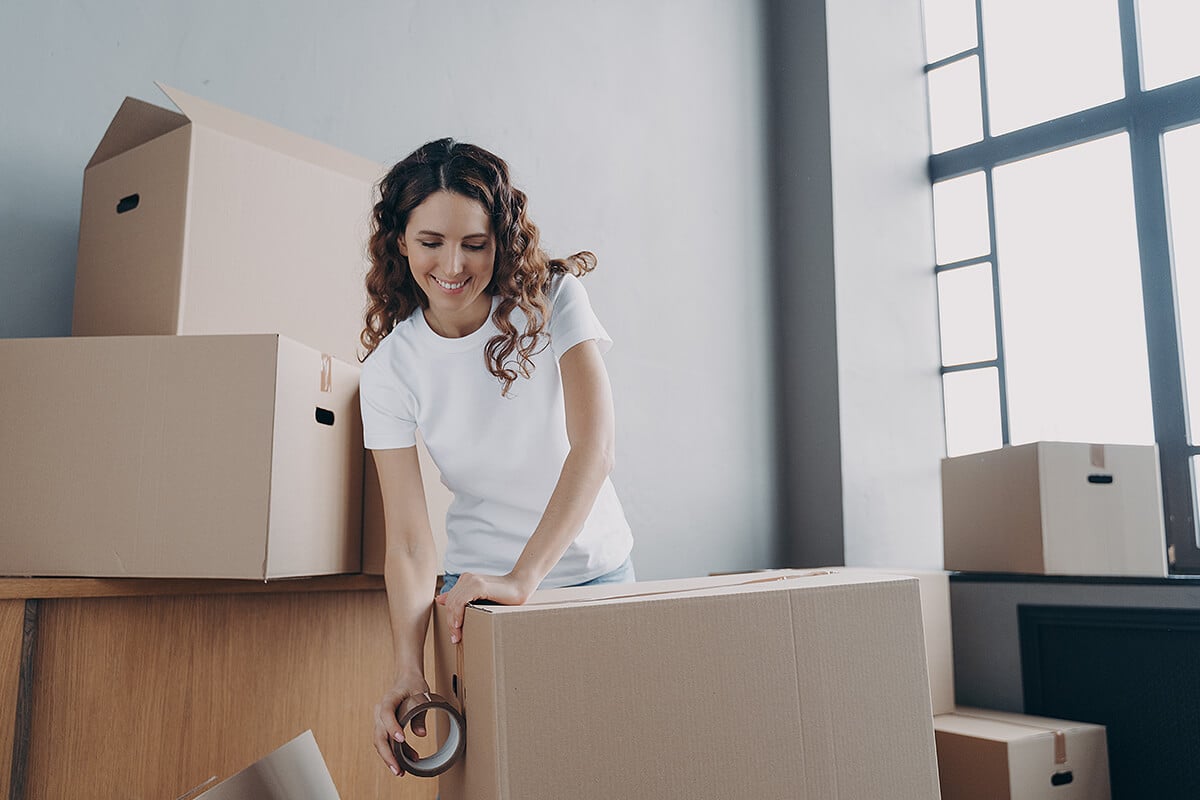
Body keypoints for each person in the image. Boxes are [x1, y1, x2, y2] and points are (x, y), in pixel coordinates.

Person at [359, 138, 634, 777]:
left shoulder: (553, 299)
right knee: (500, 780)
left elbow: (595, 449)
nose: (452, 265)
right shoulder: (389, 369)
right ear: (400, 241)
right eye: (431, 242)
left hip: (591, 573)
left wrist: (524, 579)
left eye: (474, 244)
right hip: (475, 596)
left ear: (499, 241)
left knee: (609, 773)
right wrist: (408, 662)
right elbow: (405, 539)